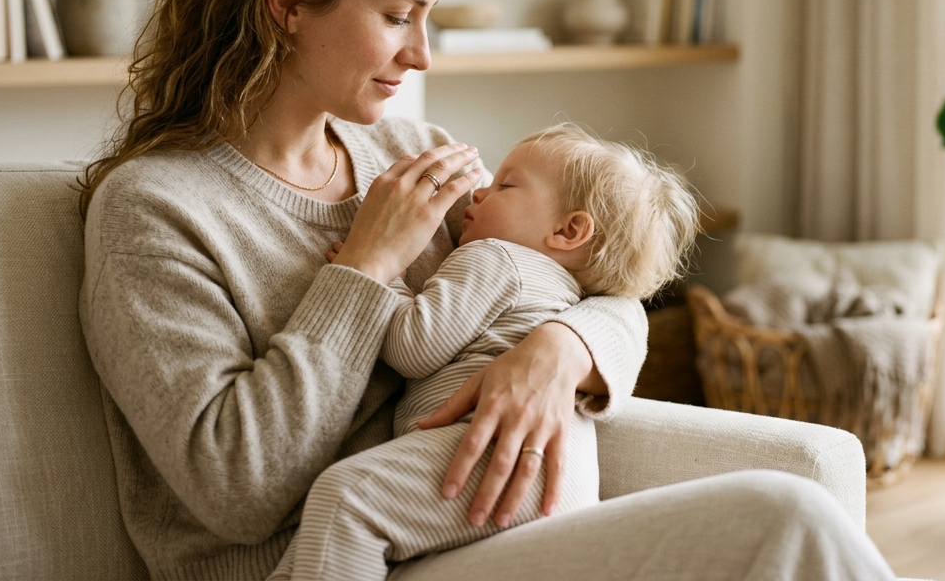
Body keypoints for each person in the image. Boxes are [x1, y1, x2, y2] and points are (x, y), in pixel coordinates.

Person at [78, 0, 897, 581]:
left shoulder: (410, 154)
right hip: (329, 557)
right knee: (780, 519)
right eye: (398, 16)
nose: (420, 53)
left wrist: (562, 348)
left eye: (426, 18)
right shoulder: (154, 210)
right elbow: (238, 489)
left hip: (473, 530)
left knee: (790, 519)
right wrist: (364, 269)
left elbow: (591, 275)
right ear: (290, 4)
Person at [276, 124, 701, 580]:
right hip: (556, 477)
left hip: (499, 456)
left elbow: (413, 347)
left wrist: (384, 274)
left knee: (344, 497)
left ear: (569, 229)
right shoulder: (565, 288)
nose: (479, 193)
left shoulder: (495, 257)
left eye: (506, 185)